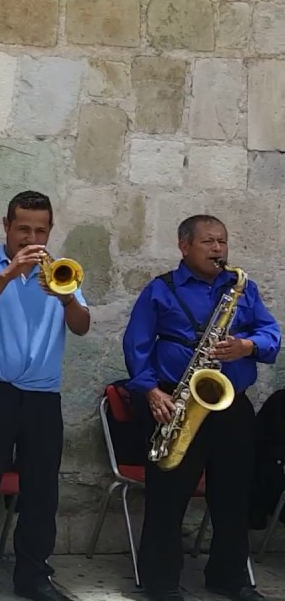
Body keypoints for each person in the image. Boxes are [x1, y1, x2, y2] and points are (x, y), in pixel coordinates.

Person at [121, 215, 278, 601]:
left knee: (233, 495)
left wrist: (247, 346)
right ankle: (162, 582)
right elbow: (136, 345)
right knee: (167, 496)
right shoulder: (160, 290)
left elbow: (271, 333)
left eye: (222, 242)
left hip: (229, 403)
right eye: (208, 242)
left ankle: (230, 577)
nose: (218, 250)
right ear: (184, 245)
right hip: (176, 400)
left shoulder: (241, 288)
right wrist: (151, 392)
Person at [0, 190, 90, 601]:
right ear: (6, 226)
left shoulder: (63, 270)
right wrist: (8, 274)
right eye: (23, 229)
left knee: (42, 491)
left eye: (40, 231)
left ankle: (33, 576)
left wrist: (67, 297)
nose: (31, 238)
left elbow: (82, 326)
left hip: (43, 395)